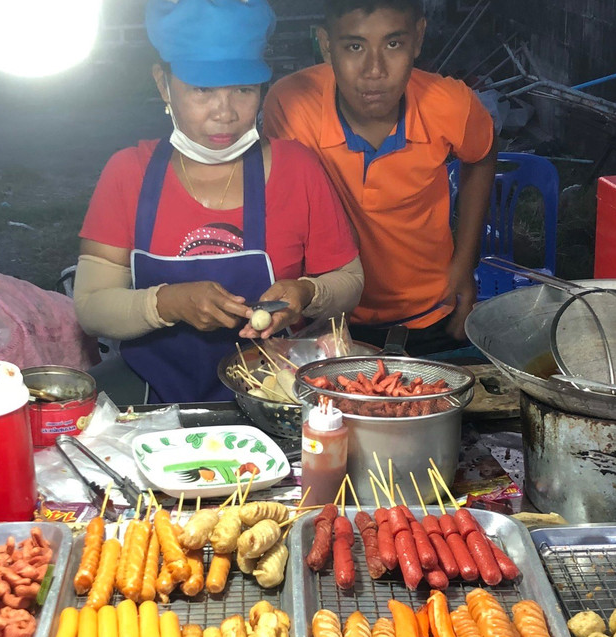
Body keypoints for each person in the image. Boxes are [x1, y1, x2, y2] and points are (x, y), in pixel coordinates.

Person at [74, 0, 363, 404]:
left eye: (244, 89)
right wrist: (168, 303)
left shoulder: (297, 168)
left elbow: (349, 282)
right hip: (151, 396)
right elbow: (91, 306)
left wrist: (304, 294)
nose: (225, 113)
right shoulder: (128, 173)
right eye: (203, 90)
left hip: (274, 396)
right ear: (163, 84)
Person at [263, 0, 496, 356]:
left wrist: (465, 262)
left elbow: (481, 156)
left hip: (430, 312)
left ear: (418, 39)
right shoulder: (292, 105)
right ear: (326, 45)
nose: (374, 70)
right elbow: (289, 205)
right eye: (354, 46)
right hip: (326, 316)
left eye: (393, 44)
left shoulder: (451, 104)